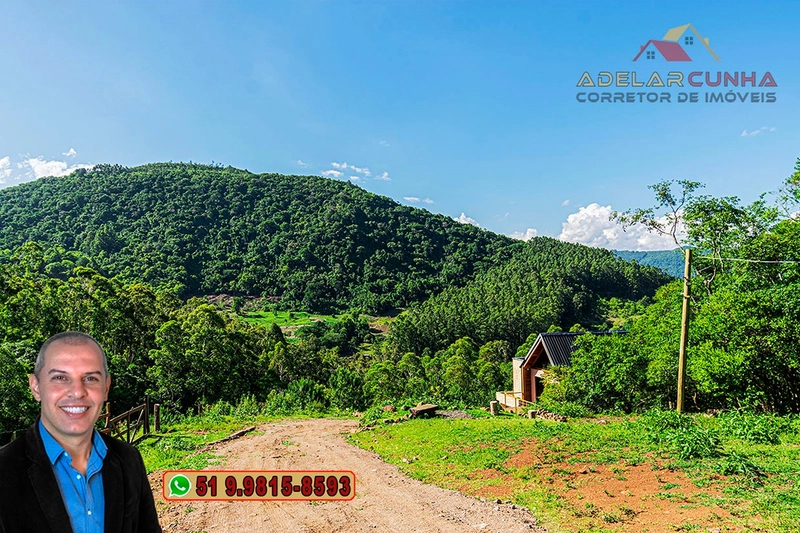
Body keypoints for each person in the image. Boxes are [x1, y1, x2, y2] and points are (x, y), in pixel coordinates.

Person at [0, 332, 162, 533]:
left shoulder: (129, 459)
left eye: (91, 378)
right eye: (60, 377)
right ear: (36, 387)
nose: (77, 392)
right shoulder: (4, 470)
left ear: (106, 387)